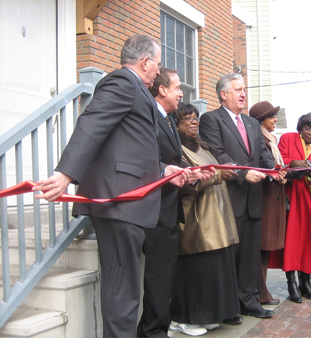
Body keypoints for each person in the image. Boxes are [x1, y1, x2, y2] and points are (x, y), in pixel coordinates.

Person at [32, 35, 189, 337]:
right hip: (120, 205)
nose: (159, 72)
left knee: (127, 291)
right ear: (145, 62)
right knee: (122, 294)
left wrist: (164, 170)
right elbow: (91, 125)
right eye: (157, 65)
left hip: (129, 204)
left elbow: (128, 150)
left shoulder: (136, 91)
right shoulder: (121, 83)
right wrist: (65, 174)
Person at [199, 73, 280, 320]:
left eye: (244, 89)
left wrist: (274, 170)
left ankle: (250, 301)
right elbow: (218, 155)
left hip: (254, 201)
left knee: (250, 256)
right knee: (228, 256)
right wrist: (244, 175)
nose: (243, 93)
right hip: (229, 198)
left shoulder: (253, 123)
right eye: (238, 90)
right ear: (224, 94)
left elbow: (262, 155)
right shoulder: (211, 120)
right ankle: (228, 307)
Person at [168, 103, 240, 336]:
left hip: (217, 218)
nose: (193, 121)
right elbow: (186, 184)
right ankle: (182, 318)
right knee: (195, 273)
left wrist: (223, 171)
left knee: (213, 272)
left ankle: (208, 315)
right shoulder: (175, 150)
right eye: (187, 118)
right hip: (195, 222)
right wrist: (219, 174)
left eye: (196, 117)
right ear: (175, 124)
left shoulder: (203, 147)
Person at [138, 68, 199, 338]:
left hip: (170, 209)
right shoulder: (147, 115)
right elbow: (144, 158)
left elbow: (174, 160)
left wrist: (192, 172)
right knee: (158, 277)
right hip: (153, 210)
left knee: (165, 277)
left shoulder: (169, 120)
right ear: (162, 90)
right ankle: (153, 332)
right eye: (177, 88)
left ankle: (155, 329)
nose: (181, 94)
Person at [276, 113, 311, 302]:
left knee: (308, 241)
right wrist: (292, 165)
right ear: (301, 127)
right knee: (291, 241)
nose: (310, 133)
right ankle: (291, 283)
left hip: (310, 200)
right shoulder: (287, 138)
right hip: (290, 196)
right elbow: (279, 163)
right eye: (307, 128)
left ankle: (305, 282)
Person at [248, 101, 286, 306]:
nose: (275, 120)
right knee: (261, 248)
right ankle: (260, 292)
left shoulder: (271, 139)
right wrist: (276, 171)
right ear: (261, 120)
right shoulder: (260, 138)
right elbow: (264, 162)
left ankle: (262, 290)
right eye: (271, 116)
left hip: (273, 200)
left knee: (265, 250)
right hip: (265, 200)